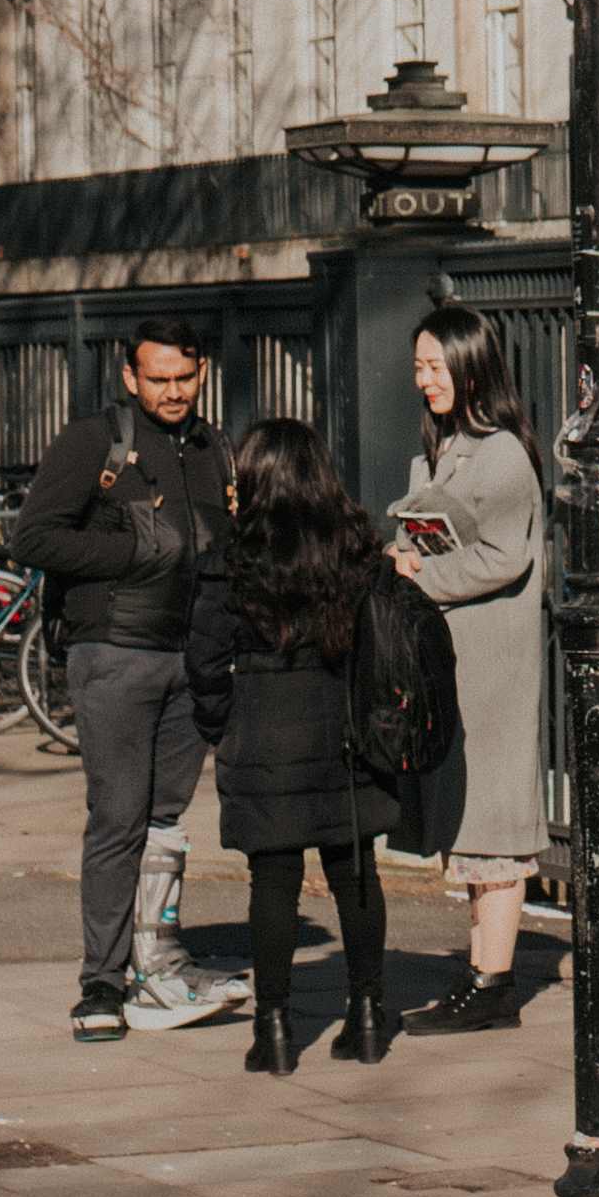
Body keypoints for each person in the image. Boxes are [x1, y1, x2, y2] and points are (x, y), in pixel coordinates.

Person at [18, 331, 239, 1040]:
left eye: (185, 375)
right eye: (158, 377)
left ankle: (158, 964)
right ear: (130, 375)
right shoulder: (94, 441)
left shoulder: (214, 447)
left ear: (202, 370)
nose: (172, 391)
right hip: (112, 653)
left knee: (166, 820)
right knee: (117, 817)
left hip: (191, 657)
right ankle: (102, 984)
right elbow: (33, 538)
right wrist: (131, 552)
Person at [187, 415, 408, 1072]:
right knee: (356, 873)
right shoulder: (357, 545)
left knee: (273, 879)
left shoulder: (232, 554)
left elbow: (203, 656)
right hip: (344, 729)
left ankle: (274, 1029)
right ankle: (368, 1014)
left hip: (263, 729)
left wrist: (218, 722)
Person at [388, 307, 554, 1030]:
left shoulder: (503, 455)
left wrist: (422, 569)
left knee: (495, 820)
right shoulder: (443, 447)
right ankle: (483, 969)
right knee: (470, 818)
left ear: (470, 364)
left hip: (492, 661)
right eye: (419, 366)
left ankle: (494, 981)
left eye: (435, 365)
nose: (425, 380)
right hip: (451, 657)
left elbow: (504, 556)